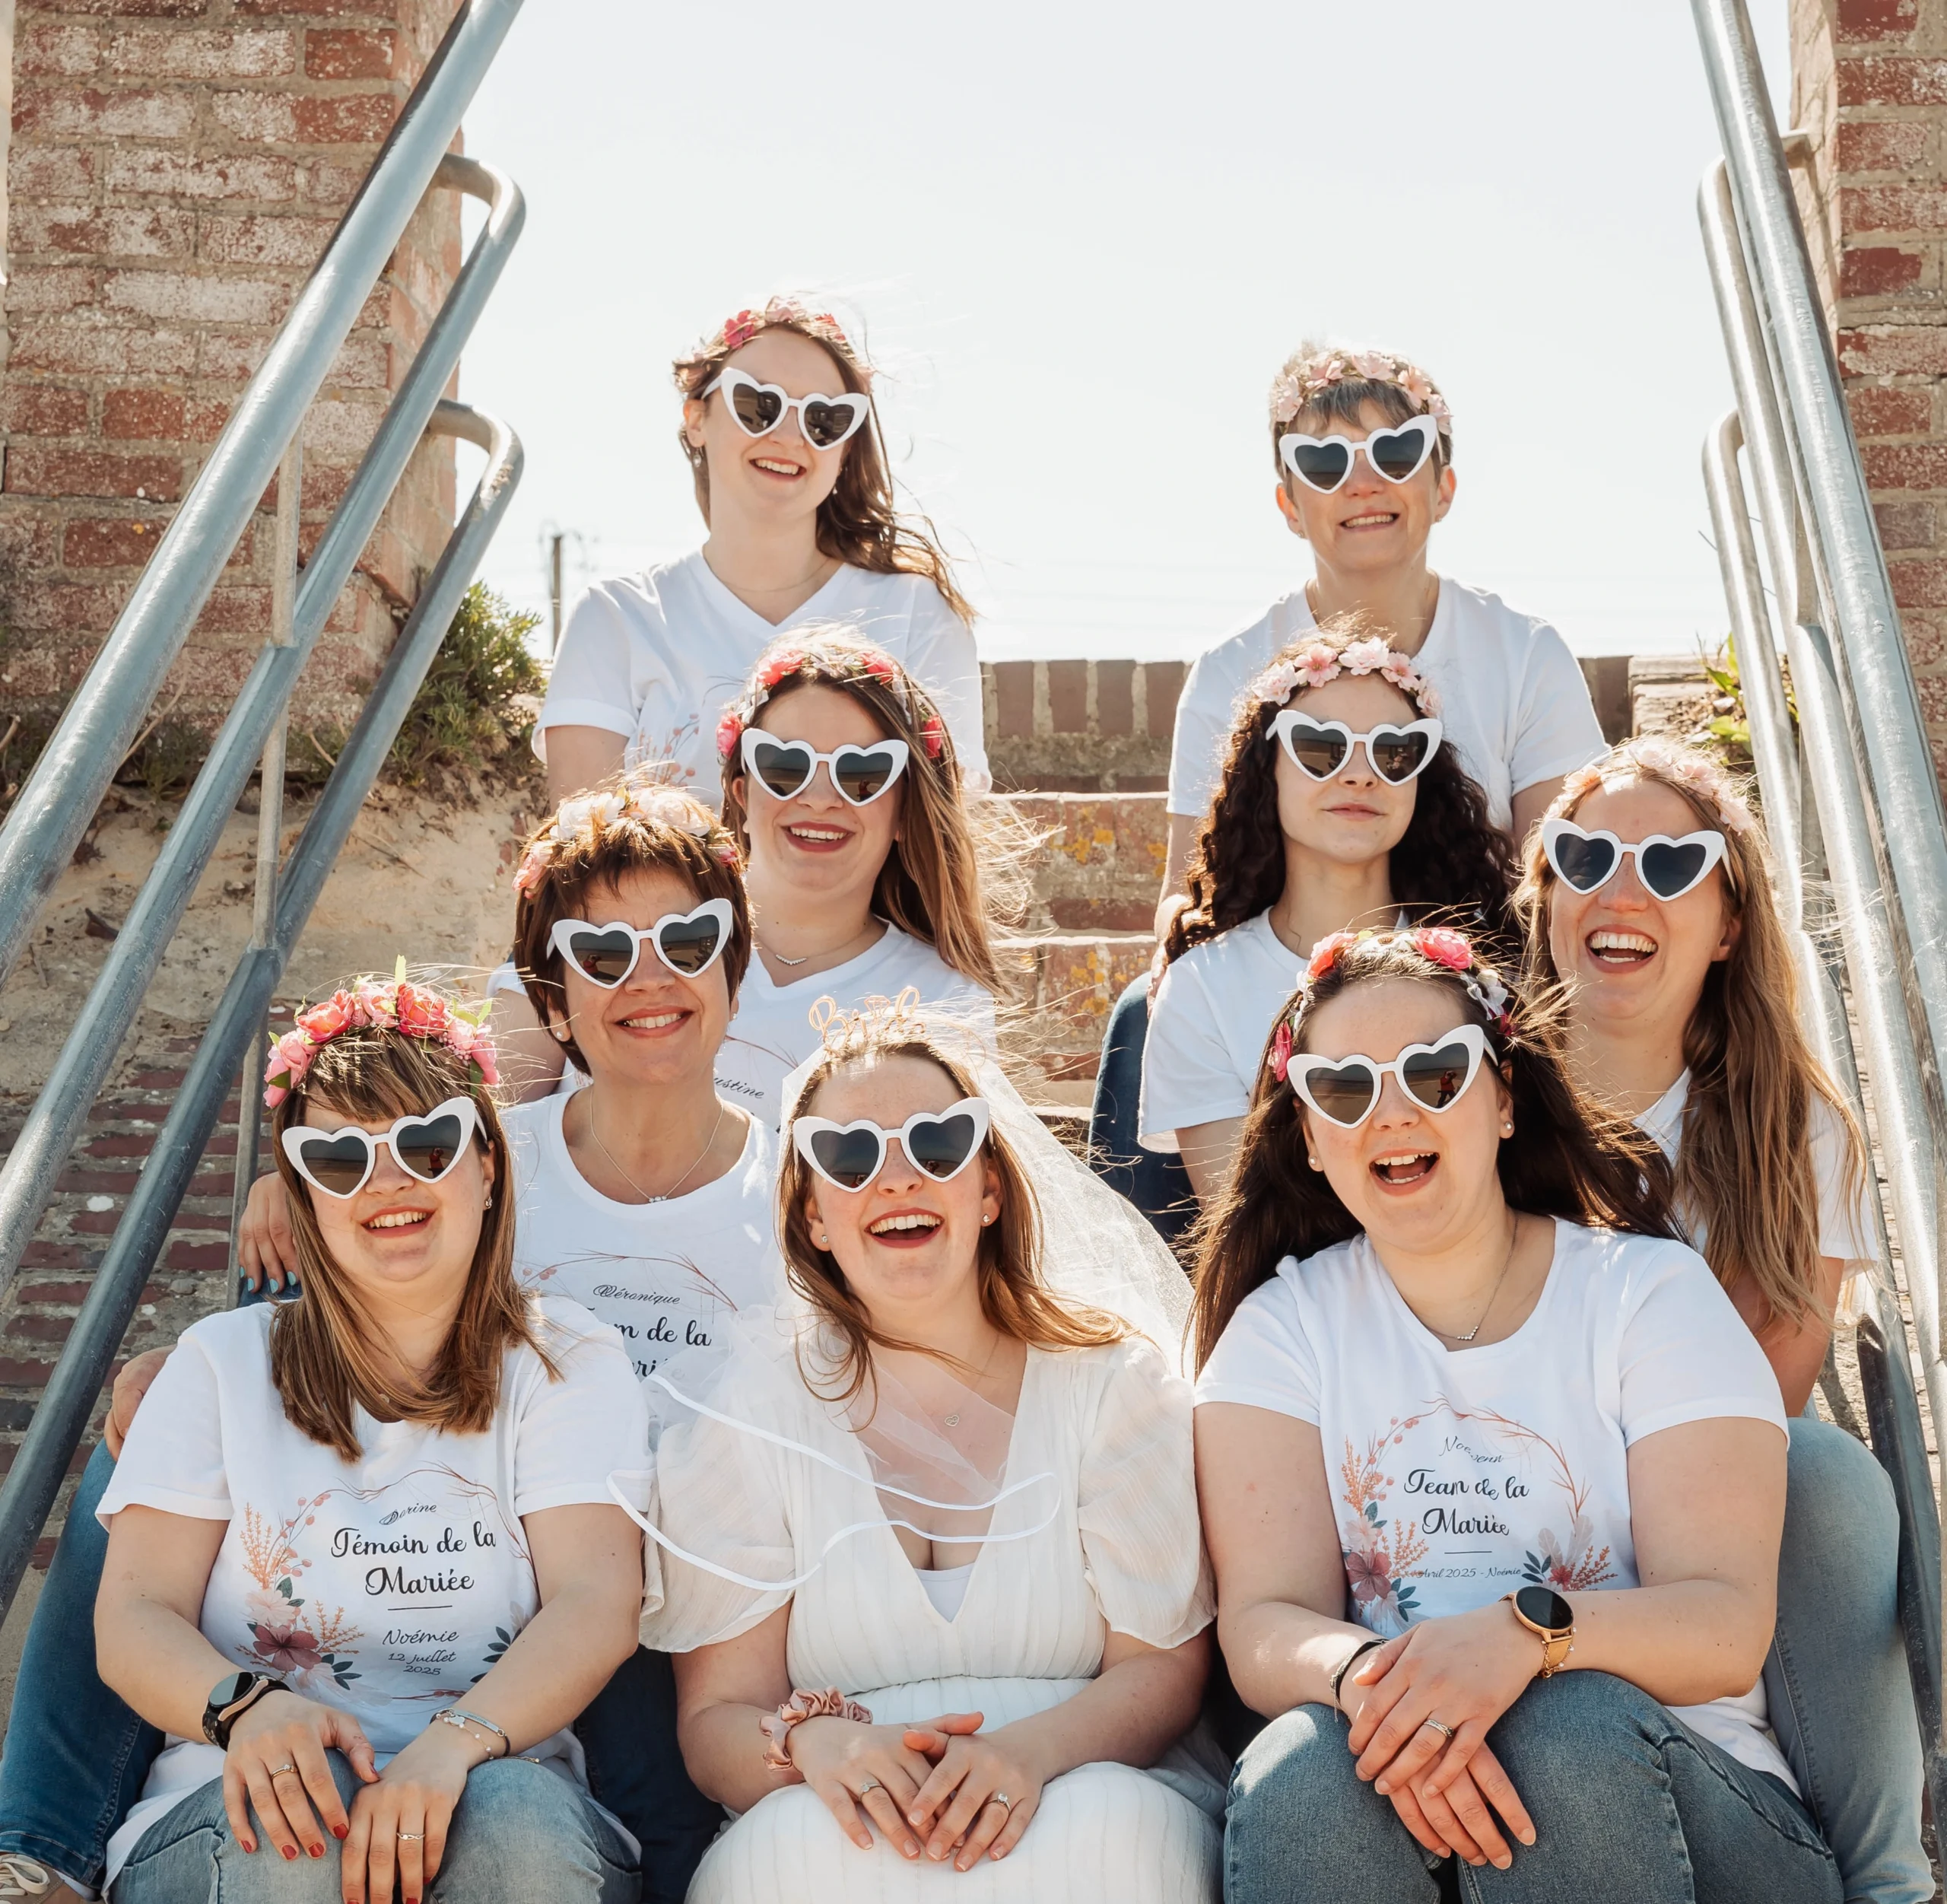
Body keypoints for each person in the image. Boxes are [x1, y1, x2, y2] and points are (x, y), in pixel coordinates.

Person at [1192, 927, 1841, 1901]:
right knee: (1304, 1763)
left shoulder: (1647, 1294)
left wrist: (1521, 1639)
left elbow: (1725, 1625)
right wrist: (1398, 1697)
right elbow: (1263, 1625)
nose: (1392, 1111)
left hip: (1691, 1807)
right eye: (1344, 1088)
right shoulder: (1281, 1330)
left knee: (1561, 1727)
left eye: (1434, 1072)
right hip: (1408, 1799)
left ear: (1500, 1098)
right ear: (1312, 1139)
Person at [224, 781, 784, 1898]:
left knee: (637, 1577)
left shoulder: (808, 1189)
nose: (650, 974)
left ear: (735, 961)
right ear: (553, 998)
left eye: (685, 937)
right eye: (602, 951)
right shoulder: (463, 1159)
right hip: (507, 1558)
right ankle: (43, 1833)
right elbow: (316, 1318)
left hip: (713, 1583)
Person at [634, 1000, 1223, 1900]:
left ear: (989, 1187)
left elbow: (1160, 1669)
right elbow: (717, 1719)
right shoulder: (747, 1409)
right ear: (814, 1216)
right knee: (786, 1852)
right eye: (850, 1155)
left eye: (938, 1143)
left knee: (1114, 1826)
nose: (897, 1177)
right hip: (841, 1810)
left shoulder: (1112, 1382)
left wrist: (1025, 1755)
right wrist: (806, 1745)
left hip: (1077, 1773)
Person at [91, 974, 650, 1903]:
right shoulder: (220, 1364)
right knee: (298, 1816)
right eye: (340, 1158)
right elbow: (133, 1617)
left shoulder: (569, 1361)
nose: (388, 1181)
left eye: (428, 1144)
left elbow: (594, 1600)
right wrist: (248, 1710)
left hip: (503, 1789)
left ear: (487, 1167)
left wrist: (452, 1747)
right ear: (303, 1194)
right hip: (233, 1812)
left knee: (510, 1822)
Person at [1520, 737, 1929, 1903]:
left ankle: (1887, 1877)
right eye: (1585, 852)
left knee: (1821, 1470)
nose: (1620, 886)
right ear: (1546, 893)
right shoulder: (1472, 1095)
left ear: (1731, 917)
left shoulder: (1796, 1131)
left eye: (1670, 861)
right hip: (1511, 1490)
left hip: (1699, 1513)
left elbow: (1760, 1406)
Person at [1093, 342, 1603, 1233]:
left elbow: (1557, 883)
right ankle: (1169, 1286)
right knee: (1153, 1004)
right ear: (1290, 503)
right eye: (1325, 462)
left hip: (1458, 956)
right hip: (1284, 941)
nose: (1362, 481)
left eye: (1395, 453)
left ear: (1442, 484)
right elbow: (1192, 891)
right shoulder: (1228, 671)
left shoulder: (1522, 654)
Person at [535, 294, 987, 808]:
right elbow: (582, 855)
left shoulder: (916, 615)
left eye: (825, 419)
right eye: (759, 405)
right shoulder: (615, 620)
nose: (791, 436)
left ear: (845, 448)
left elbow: (940, 843)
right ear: (697, 420)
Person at [1140, 618, 1513, 1204]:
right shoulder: (1200, 991)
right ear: (1267, 771)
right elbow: (1239, 1227)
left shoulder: (1487, 969)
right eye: (1321, 747)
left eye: (1395, 751)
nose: (1361, 774)